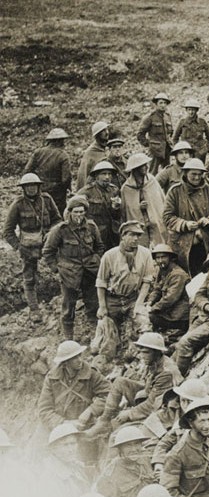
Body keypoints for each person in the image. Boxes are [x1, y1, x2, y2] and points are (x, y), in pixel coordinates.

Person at [86, 332, 182, 438]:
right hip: (150, 396)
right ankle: (104, 420)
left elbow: (152, 404)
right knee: (119, 382)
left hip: (163, 409)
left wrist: (129, 413)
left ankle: (107, 429)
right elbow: (146, 385)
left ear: (157, 352)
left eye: (146, 352)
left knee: (117, 428)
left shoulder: (166, 372)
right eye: (141, 352)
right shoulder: (154, 362)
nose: (142, 356)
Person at [43, 195, 104, 339]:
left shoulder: (91, 227)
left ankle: (94, 333)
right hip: (69, 274)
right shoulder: (60, 230)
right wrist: (57, 269)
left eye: (82, 212)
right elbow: (48, 251)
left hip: (89, 271)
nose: (79, 215)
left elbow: (99, 246)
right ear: (69, 212)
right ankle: (68, 336)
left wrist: (96, 259)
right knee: (68, 306)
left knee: (92, 302)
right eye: (76, 212)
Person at [95, 221, 156, 361]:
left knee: (143, 322)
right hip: (113, 299)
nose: (136, 238)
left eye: (138, 235)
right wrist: (102, 307)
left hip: (132, 298)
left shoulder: (145, 254)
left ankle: (143, 356)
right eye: (132, 235)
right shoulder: (109, 255)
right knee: (106, 339)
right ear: (123, 236)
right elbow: (101, 283)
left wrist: (139, 304)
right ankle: (110, 360)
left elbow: (147, 281)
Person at [3, 173, 61, 322]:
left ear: (39, 186)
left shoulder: (47, 200)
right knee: (29, 279)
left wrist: (51, 235)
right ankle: (34, 309)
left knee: (61, 269)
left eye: (34, 185)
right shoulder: (18, 204)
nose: (31, 189)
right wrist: (18, 247)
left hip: (48, 243)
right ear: (23, 188)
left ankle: (65, 300)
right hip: (28, 246)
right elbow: (8, 231)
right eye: (28, 186)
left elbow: (57, 220)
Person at [162, 158, 209, 276]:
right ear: (185, 173)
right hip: (183, 244)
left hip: (207, 240)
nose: (197, 178)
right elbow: (167, 217)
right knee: (186, 275)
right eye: (193, 174)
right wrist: (184, 224)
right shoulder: (175, 191)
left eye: (199, 174)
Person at [161, 398, 209, 497]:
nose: (207, 425)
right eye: (201, 421)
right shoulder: (177, 454)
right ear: (191, 423)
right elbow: (168, 491)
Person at [38, 340, 110, 431]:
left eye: (79, 355)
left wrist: (91, 411)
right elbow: (44, 410)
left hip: (85, 425)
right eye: (74, 358)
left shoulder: (91, 373)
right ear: (65, 362)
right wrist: (64, 423)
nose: (80, 360)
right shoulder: (52, 378)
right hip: (59, 426)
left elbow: (109, 394)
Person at [120, 153, 168, 248]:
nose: (146, 167)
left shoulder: (152, 181)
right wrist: (138, 208)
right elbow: (125, 212)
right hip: (139, 227)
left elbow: (161, 201)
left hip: (156, 225)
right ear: (135, 169)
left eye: (146, 164)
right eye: (142, 165)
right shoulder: (126, 189)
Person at [96, 427, 157, 497]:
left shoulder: (145, 459)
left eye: (136, 443)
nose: (134, 449)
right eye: (128, 445)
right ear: (120, 449)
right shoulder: (110, 475)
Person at [24, 127, 72, 212]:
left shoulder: (38, 152)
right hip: (57, 194)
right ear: (58, 141)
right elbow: (66, 179)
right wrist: (67, 189)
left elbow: (27, 171)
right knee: (57, 216)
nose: (63, 143)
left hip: (39, 190)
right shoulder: (63, 156)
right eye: (62, 141)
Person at [77, 161, 122, 250]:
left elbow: (117, 216)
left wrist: (116, 208)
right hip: (94, 234)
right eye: (104, 174)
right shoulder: (86, 192)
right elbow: (76, 212)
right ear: (96, 176)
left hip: (112, 234)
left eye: (109, 174)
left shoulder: (114, 190)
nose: (107, 177)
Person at [146, 244, 190, 333]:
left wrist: (153, 308)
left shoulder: (178, 274)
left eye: (163, 257)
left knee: (149, 317)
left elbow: (171, 298)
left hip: (178, 317)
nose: (160, 260)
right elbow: (157, 289)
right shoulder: (162, 270)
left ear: (170, 258)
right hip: (168, 311)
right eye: (157, 258)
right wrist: (150, 302)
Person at [137, 92, 174, 172]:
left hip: (166, 149)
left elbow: (171, 132)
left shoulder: (167, 116)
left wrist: (169, 142)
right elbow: (140, 134)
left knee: (167, 171)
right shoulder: (150, 117)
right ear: (156, 104)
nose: (163, 105)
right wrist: (149, 144)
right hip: (155, 150)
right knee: (153, 172)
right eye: (160, 103)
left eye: (165, 103)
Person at [76, 121, 111, 190]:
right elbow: (84, 174)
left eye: (107, 130)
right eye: (103, 131)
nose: (107, 133)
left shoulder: (107, 149)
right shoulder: (90, 152)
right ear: (97, 135)